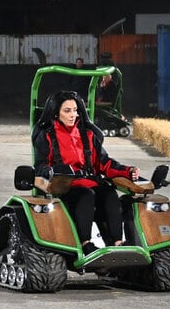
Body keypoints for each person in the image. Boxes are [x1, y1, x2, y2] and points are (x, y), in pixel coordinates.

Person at [32, 90, 139, 254]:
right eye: (67, 111)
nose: (72, 115)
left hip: (91, 181)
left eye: (75, 110)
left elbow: (104, 162)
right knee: (86, 195)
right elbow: (40, 167)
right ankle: (85, 243)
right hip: (65, 186)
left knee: (109, 193)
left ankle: (118, 243)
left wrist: (127, 171)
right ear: (56, 113)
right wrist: (56, 171)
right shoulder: (47, 136)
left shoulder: (87, 135)